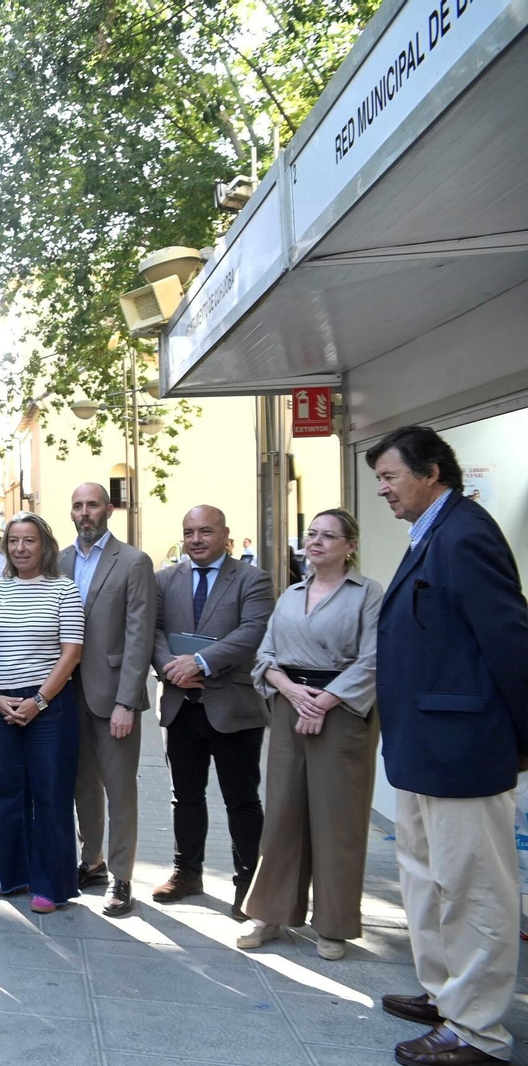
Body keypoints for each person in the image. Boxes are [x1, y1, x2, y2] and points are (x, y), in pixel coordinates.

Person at [367, 426, 528, 1066]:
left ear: (431, 472)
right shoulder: (432, 532)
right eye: (377, 478)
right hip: (423, 749)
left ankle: (478, 1032)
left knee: (475, 892)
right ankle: (445, 996)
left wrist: (522, 736)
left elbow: (510, 641)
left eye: (389, 477)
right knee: (427, 884)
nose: (382, 489)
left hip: (464, 748)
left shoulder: (467, 532)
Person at [237, 508, 381, 959]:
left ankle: (334, 924)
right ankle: (270, 911)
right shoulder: (290, 595)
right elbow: (264, 656)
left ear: (350, 546)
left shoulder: (368, 594)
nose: (315, 542)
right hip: (288, 708)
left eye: (328, 536)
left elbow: (375, 659)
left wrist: (325, 700)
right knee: (282, 812)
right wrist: (290, 691)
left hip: (341, 713)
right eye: (311, 534)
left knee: (337, 820)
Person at [151, 504, 274, 917]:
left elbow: (252, 632)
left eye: (205, 531)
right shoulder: (165, 579)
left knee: (241, 800)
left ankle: (249, 885)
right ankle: (187, 873)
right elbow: (152, 630)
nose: (196, 539)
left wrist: (199, 662)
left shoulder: (253, 579)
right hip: (180, 706)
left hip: (234, 707)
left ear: (225, 534)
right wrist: (171, 667)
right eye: (189, 532)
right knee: (184, 797)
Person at [0, 513, 84, 913]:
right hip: (0, 705)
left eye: (29, 541)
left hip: (50, 709)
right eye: (14, 541)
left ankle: (51, 885)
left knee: (50, 795)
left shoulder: (63, 590)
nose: (21, 548)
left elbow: (72, 652)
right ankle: (12, 875)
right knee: (1, 794)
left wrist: (38, 701)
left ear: (45, 546)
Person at [59, 483, 154, 917]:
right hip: (64, 692)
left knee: (119, 788)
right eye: (78, 506)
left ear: (108, 509)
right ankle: (91, 862)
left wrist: (128, 701)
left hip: (112, 693)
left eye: (92, 504)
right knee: (81, 785)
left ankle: (122, 877)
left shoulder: (133, 562)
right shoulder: (57, 560)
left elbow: (140, 636)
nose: (85, 513)